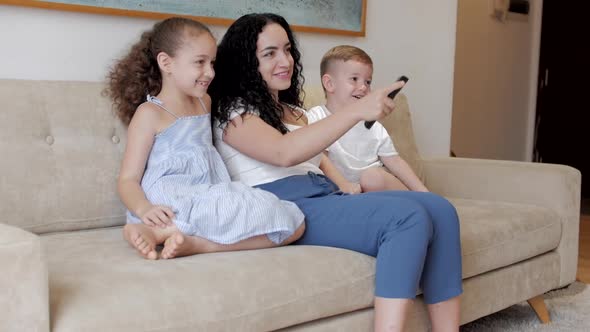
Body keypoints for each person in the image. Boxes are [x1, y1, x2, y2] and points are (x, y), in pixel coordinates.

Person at [209, 13, 462, 332]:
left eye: (287, 50)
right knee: (406, 217)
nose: (285, 60)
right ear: (246, 61)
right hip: (284, 207)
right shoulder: (232, 112)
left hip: (323, 195)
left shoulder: (297, 111)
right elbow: (284, 153)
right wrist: (357, 110)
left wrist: (345, 186)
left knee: (440, 208)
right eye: (269, 53)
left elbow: (319, 158)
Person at [105, 17, 305, 260]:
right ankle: (154, 228)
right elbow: (128, 179)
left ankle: (187, 240)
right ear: (166, 63)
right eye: (199, 63)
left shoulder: (205, 101)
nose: (209, 72)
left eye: (212, 63)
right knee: (281, 221)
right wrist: (143, 208)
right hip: (171, 194)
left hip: (209, 189)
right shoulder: (149, 114)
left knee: (293, 223)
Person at [308, 45, 428, 193]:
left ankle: (422, 199)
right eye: (354, 79)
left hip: (376, 190)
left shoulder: (373, 125)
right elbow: (320, 159)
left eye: (368, 81)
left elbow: (395, 162)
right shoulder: (317, 117)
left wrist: (423, 191)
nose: (364, 87)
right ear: (329, 84)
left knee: (372, 177)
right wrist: (344, 185)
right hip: (343, 192)